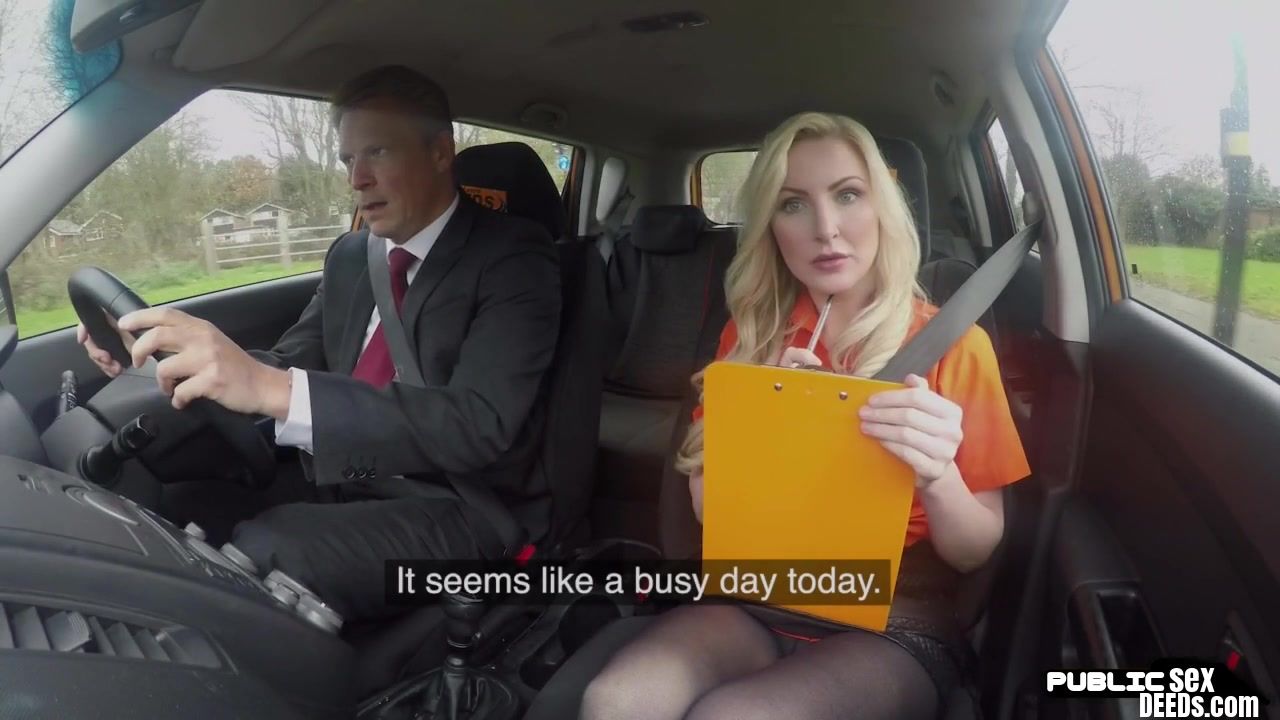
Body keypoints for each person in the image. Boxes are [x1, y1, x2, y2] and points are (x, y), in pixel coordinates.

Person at [579, 112, 1030, 720]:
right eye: (793, 205)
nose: (826, 229)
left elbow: (975, 552)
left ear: (882, 207)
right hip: (758, 593)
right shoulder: (751, 340)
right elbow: (706, 512)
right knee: (615, 702)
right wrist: (763, 432)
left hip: (893, 616)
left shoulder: (956, 346)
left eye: (848, 195)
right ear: (771, 227)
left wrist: (937, 473)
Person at [77, 65, 562, 621]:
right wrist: (165, 352)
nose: (357, 179)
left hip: (461, 503)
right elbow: (290, 362)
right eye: (348, 159)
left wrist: (272, 388)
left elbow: (478, 424)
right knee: (173, 497)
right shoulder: (353, 256)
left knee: (272, 551)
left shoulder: (514, 258)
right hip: (345, 474)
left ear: (439, 153)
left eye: (377, 152)